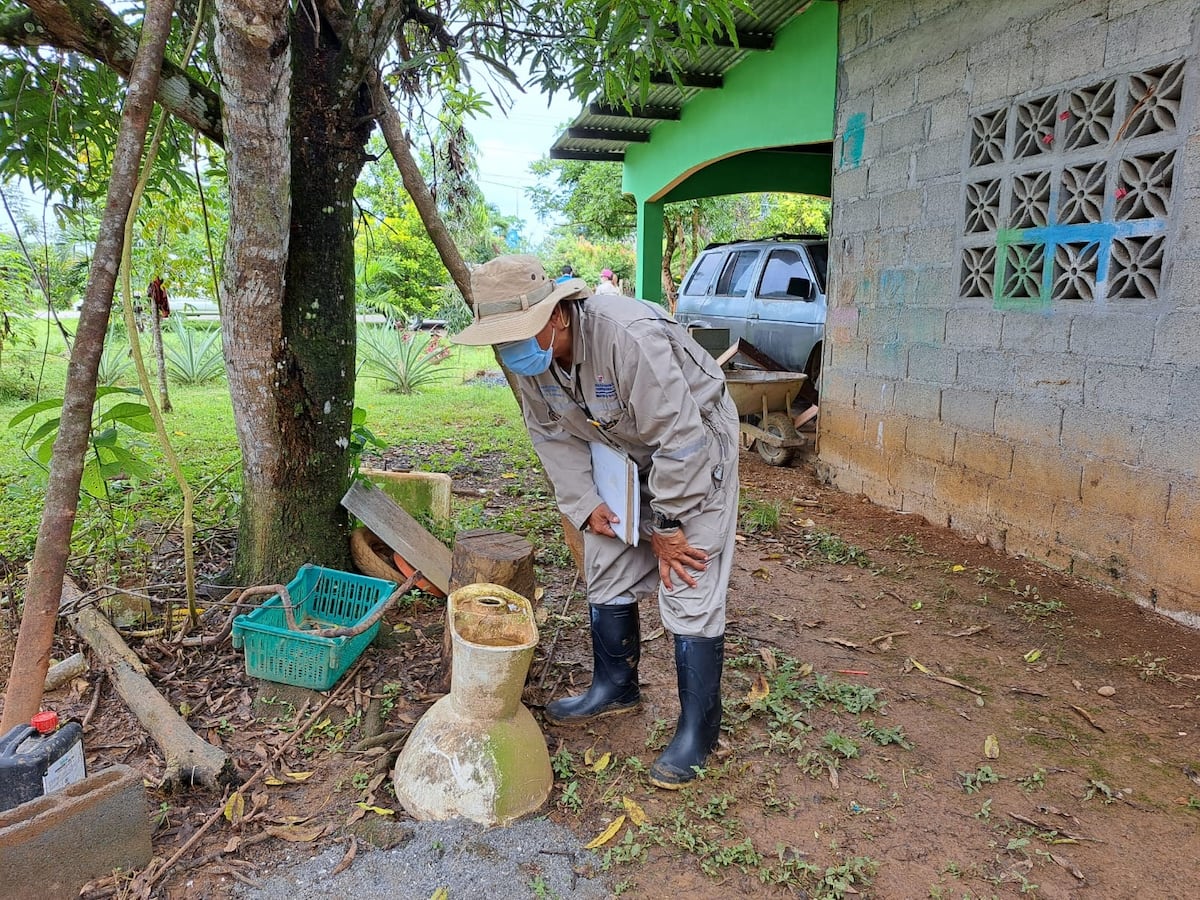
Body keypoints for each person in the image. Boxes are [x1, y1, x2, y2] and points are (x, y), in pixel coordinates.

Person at [452, 255, 739, 789]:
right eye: (499, 337)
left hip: (695, 443)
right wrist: (585, 502)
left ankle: (700, 729)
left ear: (557, 315)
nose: (507, 348)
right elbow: (551, 435)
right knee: (606, 558)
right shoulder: (529, 362)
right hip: (617, 451)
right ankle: (615, 686)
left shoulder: (626, 337)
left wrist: (669, 525)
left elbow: (679, 438)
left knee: (687, 574)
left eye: (516, 332)